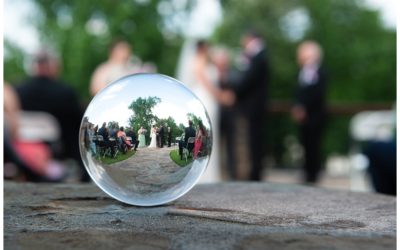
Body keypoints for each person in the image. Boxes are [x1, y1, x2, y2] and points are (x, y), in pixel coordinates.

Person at [15, 50, 88, 182]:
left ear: (34, 66)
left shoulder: (17, 91)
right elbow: (82, 125)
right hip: (61, 158)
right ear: (53, 66)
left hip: (22, 160)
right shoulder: (65, 93)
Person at [224, 30, 270, 181]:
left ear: (250, 38)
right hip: (254, 106)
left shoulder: (259, 56)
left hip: (255, 107)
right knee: (253, 140)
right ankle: (253, 171)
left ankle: (255, 173)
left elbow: (248, 80)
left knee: (255, 141)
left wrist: (233, 89)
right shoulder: (257, 56)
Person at [291, 41, 327, 184]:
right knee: (305, 144)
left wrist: (305, 107)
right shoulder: (302, 72)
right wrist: (297, 107)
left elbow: (319, 94)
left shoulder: (321, 72)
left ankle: (314, 174)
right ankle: (307, 172)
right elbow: (297, 92)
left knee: (315, 145)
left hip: (315, 117)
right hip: (303, 118)